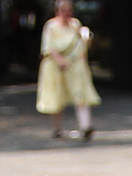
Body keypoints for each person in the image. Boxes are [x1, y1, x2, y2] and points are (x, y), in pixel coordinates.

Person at [38, 0, 98, 142]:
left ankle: (85, 127)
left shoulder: (75, 24)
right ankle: (57, 130)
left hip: (75, 66)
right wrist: (59, 60)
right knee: (57, 98)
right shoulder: (51, 26)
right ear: (58, 11)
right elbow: (48, 47)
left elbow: (81, 43)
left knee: (80, 94)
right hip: (55, 66)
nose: (67, 14)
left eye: (69, 10)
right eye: (64, 11)